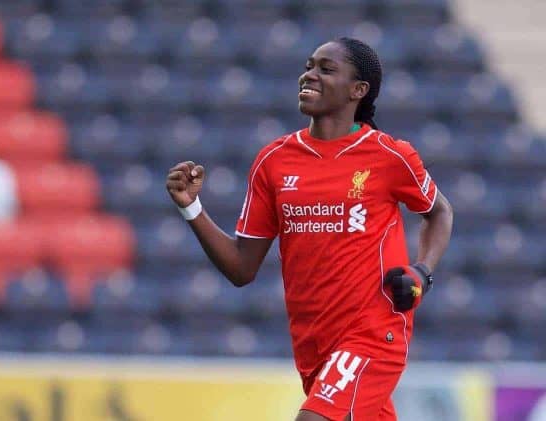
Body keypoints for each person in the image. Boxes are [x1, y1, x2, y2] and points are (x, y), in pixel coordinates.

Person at [166, 37, 453, 421]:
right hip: (314, 344)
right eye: (309, 66)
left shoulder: (389, 156)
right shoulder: (274, 161)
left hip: (373, 333)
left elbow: (439, 212)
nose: (309, 75)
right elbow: (241, 267)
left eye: (325, 69)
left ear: (358, 90)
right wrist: (192, 209)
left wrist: (422, 270)